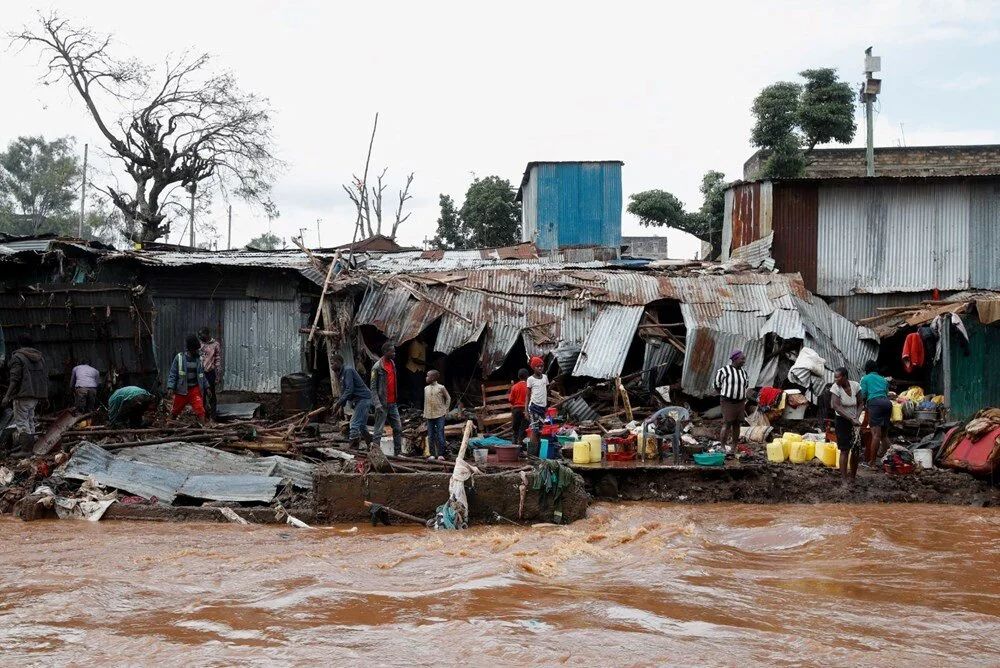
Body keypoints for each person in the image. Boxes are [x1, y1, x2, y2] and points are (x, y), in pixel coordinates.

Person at [2, 334, 48, 436]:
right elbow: (44, 378)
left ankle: (26, 445)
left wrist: (7, 396)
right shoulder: (40, 358)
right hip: (35, 397)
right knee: (30, 421)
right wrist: (45, 396)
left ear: (19, 344)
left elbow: (14, 379)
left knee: (22, 423)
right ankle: (32, 444)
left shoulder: (17, 357)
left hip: (22, 396)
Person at [331, 354, 373, 449]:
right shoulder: (340, 374)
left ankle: (354, 448)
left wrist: (338, 403)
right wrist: (341, 406)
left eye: (333, 363)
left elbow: (349, 390)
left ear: (338, 362)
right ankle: (371, 445)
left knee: (353, 423)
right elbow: (343, 391)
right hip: (359, 400)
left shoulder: (348, 370)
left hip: (363, 398)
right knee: (361, 425)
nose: (331, 366)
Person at [830, 367, 862, 485]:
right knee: (844, 450)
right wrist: (851, 418)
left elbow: (861, 403)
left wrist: (856, 417)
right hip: (842, 421)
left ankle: (853, 477)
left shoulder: (855, 386)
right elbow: (836, 406)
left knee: (856, 449)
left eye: (837, 377)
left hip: (855, 421)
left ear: (844, 377)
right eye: (835, 377)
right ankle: (844, 479)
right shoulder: (835, 388)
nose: (835, 379)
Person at [371, 341, 404, 455]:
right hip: (382, 404)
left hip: (392, 403)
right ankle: (376, 454)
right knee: (378, 431)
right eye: (392, 351)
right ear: (385, 352)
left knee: (398, 428)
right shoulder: (377, 367)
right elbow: (373, 388)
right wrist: (377, 404)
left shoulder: (392, 363)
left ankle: (398, 452)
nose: (394, 353)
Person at [167, 335, 209, 423]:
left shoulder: (199, 359)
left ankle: (204, 428)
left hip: (194, 390)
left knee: (200, 410)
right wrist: (170, 387)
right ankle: (168, 425)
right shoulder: (179, 358)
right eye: (195, 349)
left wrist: (207, 387)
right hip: (182, 390)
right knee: (175, 411)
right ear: (190, 349)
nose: (197, 351)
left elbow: (202, 375)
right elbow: (173, 373)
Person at [713, 350, 749, 453]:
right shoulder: (723, 371)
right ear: (735, 359)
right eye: (742, 359)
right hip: (728, 401)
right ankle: (723, 447)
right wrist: (726, 394)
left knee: (737, 424)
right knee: (727, 423)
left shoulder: (744, 372)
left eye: (744, 359)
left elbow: (746, 385)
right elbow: (717, 385)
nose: (744, 361)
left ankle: (734, 447)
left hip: (740, 402)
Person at [859, 360, 892, 465]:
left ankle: (872, 462)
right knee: (884, 436)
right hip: (887, 403)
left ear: (867, 369)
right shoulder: (883, 379)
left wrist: (861, 405)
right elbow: (886, 393)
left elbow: (863, 394)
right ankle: (891, 459)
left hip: (875, 403)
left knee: (876, 435)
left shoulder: (865, 378)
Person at [423, 369, 451, 460]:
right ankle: (432, 454)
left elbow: (448, 398)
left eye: (428, 376)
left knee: (440, 434)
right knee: (430, 435)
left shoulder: (441, 387)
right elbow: (425, 402)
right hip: (429, 415)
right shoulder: (426, 388)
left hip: (440, 414)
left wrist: (446, 409)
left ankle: (441, 454)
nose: (426, 378)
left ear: (433, 377)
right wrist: (425, 412)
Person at [526, 356, 549, 456]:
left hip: (542, 408)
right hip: (534, 407)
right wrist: (526, 410)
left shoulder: (545, 377)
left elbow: (546, 391)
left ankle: (536, 455)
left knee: (539, 431)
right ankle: (531, 456)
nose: (540, 368)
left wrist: (546, 406)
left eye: (541, 366)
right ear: (533, 368)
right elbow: (527, 395)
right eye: (537, 366)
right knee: (534, 431)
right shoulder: (530, 379)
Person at [198, 327, 223, 419]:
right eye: (199, 335)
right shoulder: (199, 344)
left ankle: (213, 416)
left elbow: (217, 360)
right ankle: (203, 415)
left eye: (201, 334)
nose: (200, 336)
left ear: (207, 334)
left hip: (210, 373)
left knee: (211, 394)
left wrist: (218, 375)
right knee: (202, 394)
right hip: (200, 373)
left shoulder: (215, 344)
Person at [509, 369, 529, 448]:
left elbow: (511, 400)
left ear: (518, 376)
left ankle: (514, 445)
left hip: (516, 410)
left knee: (515, 428)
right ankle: (521, 445)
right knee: (523, 428)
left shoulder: (514, 387)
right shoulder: (529, 387)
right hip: (525, 410)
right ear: (527, 377)